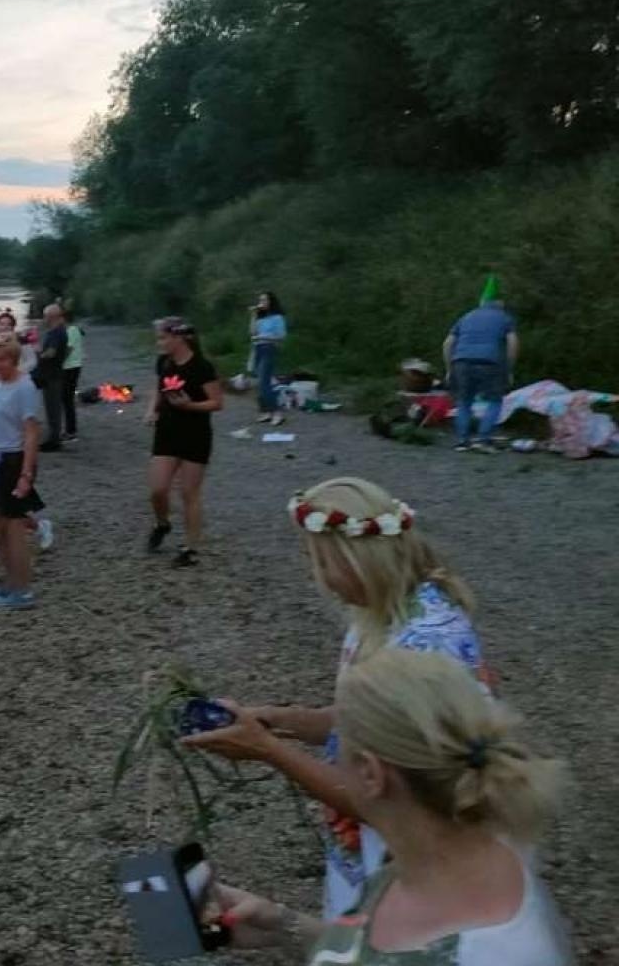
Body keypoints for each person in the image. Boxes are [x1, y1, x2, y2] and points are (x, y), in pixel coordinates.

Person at [185, 477, 488, 918]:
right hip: (378, 849)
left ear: (358, 559)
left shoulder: (422, 646)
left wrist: (266, 749)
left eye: (321, 561)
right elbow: (364, 721)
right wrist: (274, 720)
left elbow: (385, 800)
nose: (319, 577)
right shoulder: (384, 612)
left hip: (415, 863)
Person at [206, 649, 570, 964]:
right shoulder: (462, 844)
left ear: (370, 773)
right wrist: (282, 925)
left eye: (338, 746)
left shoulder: (486, 953)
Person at [0, 332, 49, 610]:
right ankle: (11, 582)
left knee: (12, 527)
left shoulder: (24, 387)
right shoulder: (0, 383)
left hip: (13, 461)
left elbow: (31, 432)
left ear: (14, 359)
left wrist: (26, 474)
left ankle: (22, 589)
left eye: (3, 359)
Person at [146, 317, 223, 568]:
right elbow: (159, 389)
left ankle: (190, 548)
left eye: (163, 338)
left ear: (178, 338)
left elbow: (217, 403)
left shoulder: (201, 367)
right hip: (166, 433)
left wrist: (190, 405)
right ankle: (162, 523)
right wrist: (152, 410)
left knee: (189, 493)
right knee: (158, 489)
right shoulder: (164, 362)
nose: (159, 343)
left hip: (195, 435)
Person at [444, 275, 520, 453]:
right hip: (490, 362)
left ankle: (462, 441)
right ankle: (483, 440)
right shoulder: (504, 318)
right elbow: (513, 343)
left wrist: (449, 369)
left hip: (461, 362)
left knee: (464, 402)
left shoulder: (466, 317)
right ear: (499, 303)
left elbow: (447, 343)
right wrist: (509, 369)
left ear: (481, 302)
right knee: (494, 400)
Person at [32, 303, 69, 452]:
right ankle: (54, 438)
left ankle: (54, 441)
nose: (44, 319)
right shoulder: (60, 331)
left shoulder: (56, 332)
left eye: (45, 316)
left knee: (52, 408)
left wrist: (39, 354)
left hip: (52, 376)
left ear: (51, 317)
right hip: (54, 374)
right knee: (53, 408)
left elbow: (51, 352)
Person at [249, 291, 287, 427]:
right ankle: (266, 412)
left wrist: (263, 337)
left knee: (264, 382)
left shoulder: (278, 318)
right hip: (258, 349)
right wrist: (253, 315)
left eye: (264, 300)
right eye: (260, 300)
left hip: (269, 348)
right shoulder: (261, 318)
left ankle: (277, 412)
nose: (261, 303)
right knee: (259, 382)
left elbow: (281, 336)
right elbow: (253, 332)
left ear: (271, 302)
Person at [61, 309, 84, 442]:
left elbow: (68, 349)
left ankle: (71, 431)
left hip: (70, 367)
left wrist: (58, 362)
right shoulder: (75, 330)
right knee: (67, 399)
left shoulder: (71, 331)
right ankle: (70, 430)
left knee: (67, 399)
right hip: (74, 366)